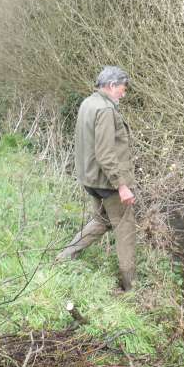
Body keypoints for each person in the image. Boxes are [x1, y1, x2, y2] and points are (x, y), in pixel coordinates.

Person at [56, 66, 137, 291]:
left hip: (90, 179)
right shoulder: (105, 110)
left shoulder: (87, 103)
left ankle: (66, 255)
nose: (124, 93)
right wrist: (121, 186)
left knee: (103, 220)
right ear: (111, 86)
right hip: (108, 183)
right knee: (125, 229)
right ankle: (130, 286)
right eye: (122, 89)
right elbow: (105, 153)